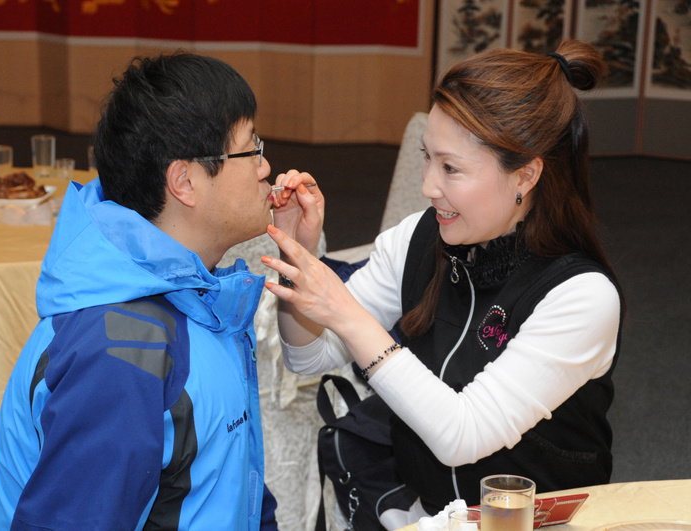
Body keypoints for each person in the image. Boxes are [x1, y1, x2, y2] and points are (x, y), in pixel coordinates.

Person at [262, 39, 623, 516]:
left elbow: (463, 434)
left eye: (451, 168)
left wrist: (346, 314)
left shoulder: (581, 296)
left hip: (538, 522)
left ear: (525, 176)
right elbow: (309, 357)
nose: (428, 185)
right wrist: (300, 258)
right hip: (431, 513)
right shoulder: (417, 238)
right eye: (426, 157)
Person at [0, 53, 280, 531]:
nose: (265, 166)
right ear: (185, 182)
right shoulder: (119, 352)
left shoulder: (197, 294)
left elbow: (227, 481)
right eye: (251, 149)